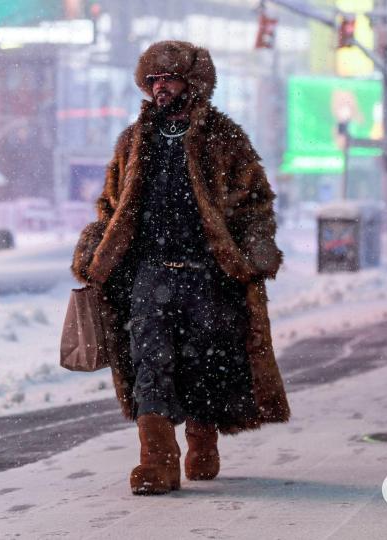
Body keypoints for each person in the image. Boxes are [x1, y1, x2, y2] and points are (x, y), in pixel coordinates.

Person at [71, 40, 290, 496]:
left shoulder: (226, 137)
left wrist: (256, 247)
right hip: (149, 272)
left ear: (194, 82)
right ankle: (158, 460)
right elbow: (111, 205)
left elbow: (254, 204)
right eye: (152, 80)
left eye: (167, 78)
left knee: (203, 363)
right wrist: (94, 247)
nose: (160, 88)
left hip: (207, 273)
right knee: (150, 361)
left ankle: (201, 439)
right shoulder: (133, 141)